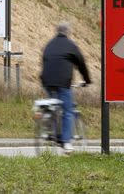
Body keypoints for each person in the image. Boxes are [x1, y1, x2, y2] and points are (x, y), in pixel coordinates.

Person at [40, 21, 91, 152]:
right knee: (68, 111)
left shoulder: (49, 45)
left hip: (47, 82)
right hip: (63, 83)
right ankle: (67, 142)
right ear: (68, 32)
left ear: (57, 31)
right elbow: (81, 64)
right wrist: (86, 80)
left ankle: (53, 132)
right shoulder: (70, 45)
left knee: (54, 105)